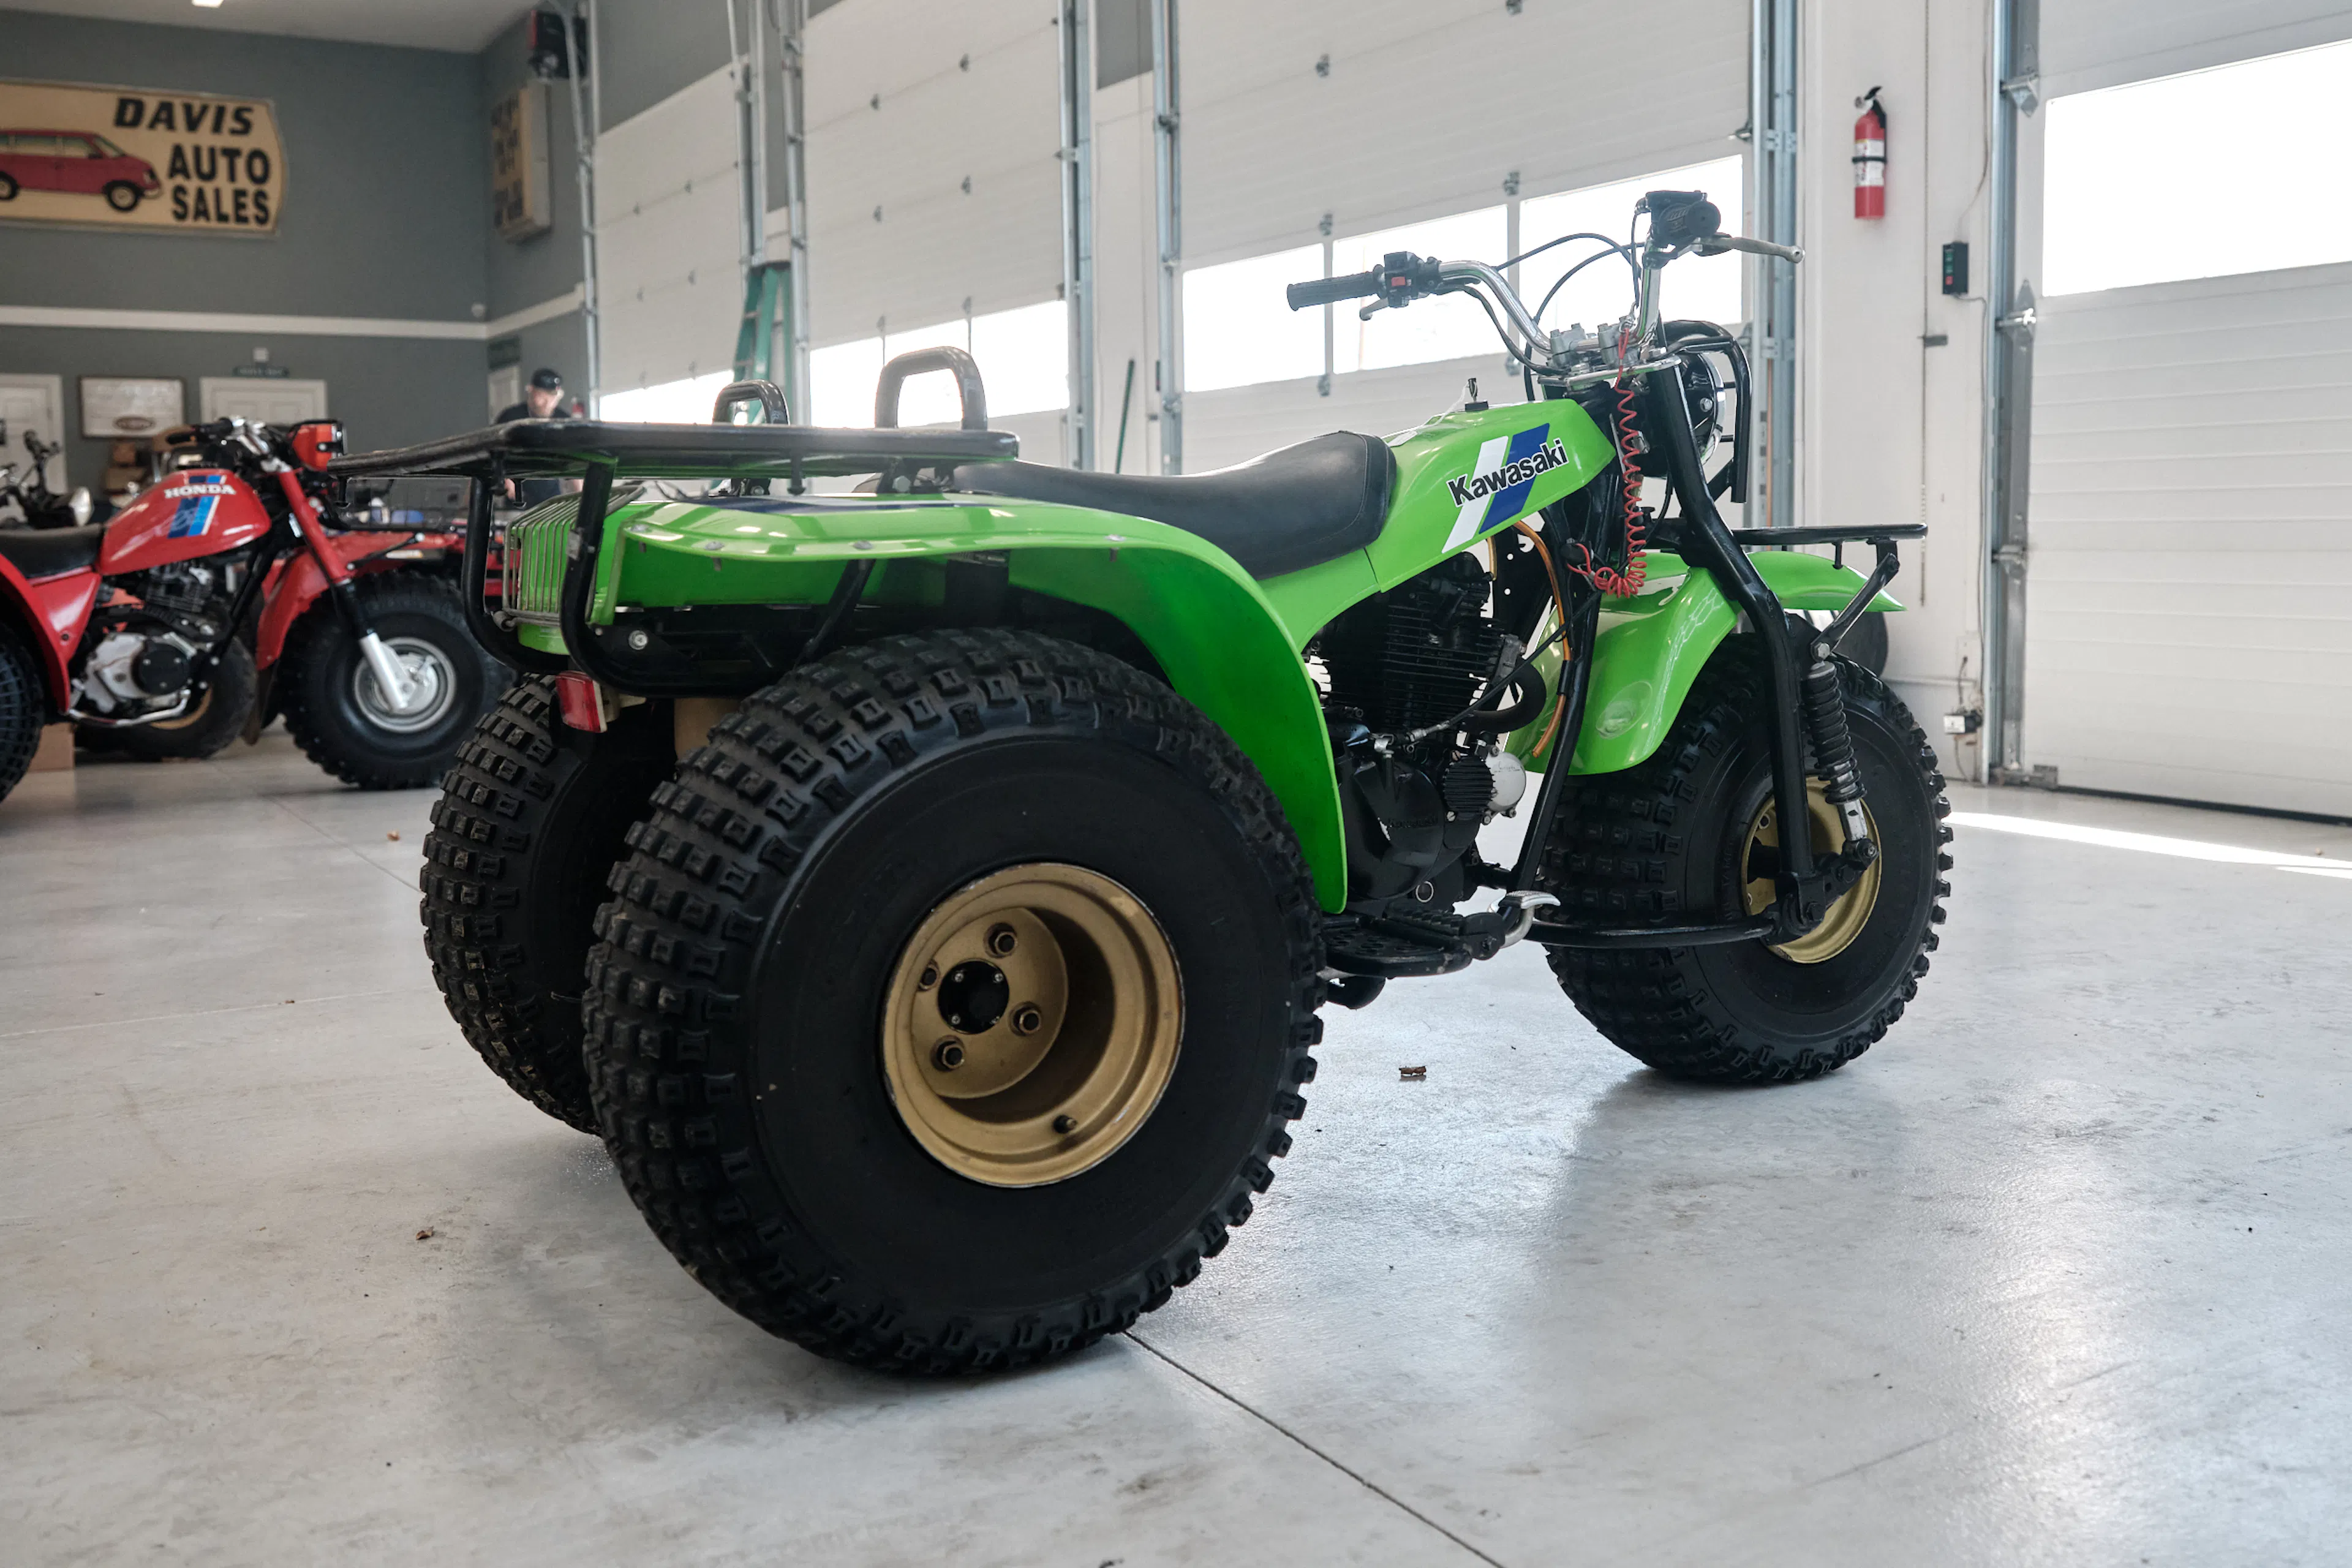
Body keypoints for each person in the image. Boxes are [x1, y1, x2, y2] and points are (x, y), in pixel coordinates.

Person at [495, 368, 575, 506]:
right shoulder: (510, 417)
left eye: (552, 397)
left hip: (550, 493)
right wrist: (506, 480)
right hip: (518, 491)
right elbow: (494, 452)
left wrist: (580, 499)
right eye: (542, 396)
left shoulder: (565, 421)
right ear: (531, 391)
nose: (546, 403)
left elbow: (575, 459)